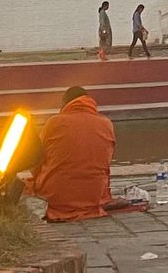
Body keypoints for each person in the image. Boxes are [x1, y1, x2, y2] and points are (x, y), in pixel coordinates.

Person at [25, 86, 116, 222]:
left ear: (65, 104)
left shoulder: (54, 122)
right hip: (93, 195)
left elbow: (36, 161)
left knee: (24, 186)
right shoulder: (106, 124)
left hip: (55, 196)